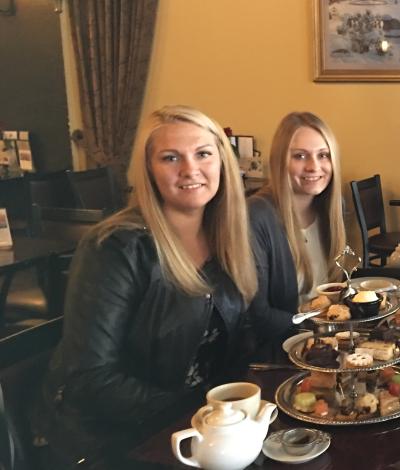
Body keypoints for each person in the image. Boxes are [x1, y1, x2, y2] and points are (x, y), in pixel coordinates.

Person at [33, 105, 259, 465]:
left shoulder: (225, 239)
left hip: (198, 428)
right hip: (116, 440)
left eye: (203, 153)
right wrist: (197, 410)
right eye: (171, 158)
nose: (190, 169)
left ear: (222, 163)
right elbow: (90, 379)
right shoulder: (115, 248)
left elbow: (235, 336)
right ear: (149, 171)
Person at [247, 112, 345, 334]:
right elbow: (257, 314)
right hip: (281, 352)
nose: (313, 167)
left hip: (327, 339)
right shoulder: (257, 215)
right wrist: (320, 327)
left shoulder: (332, 207)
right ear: (280, 160)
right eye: (300, 156)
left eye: (323, 155)